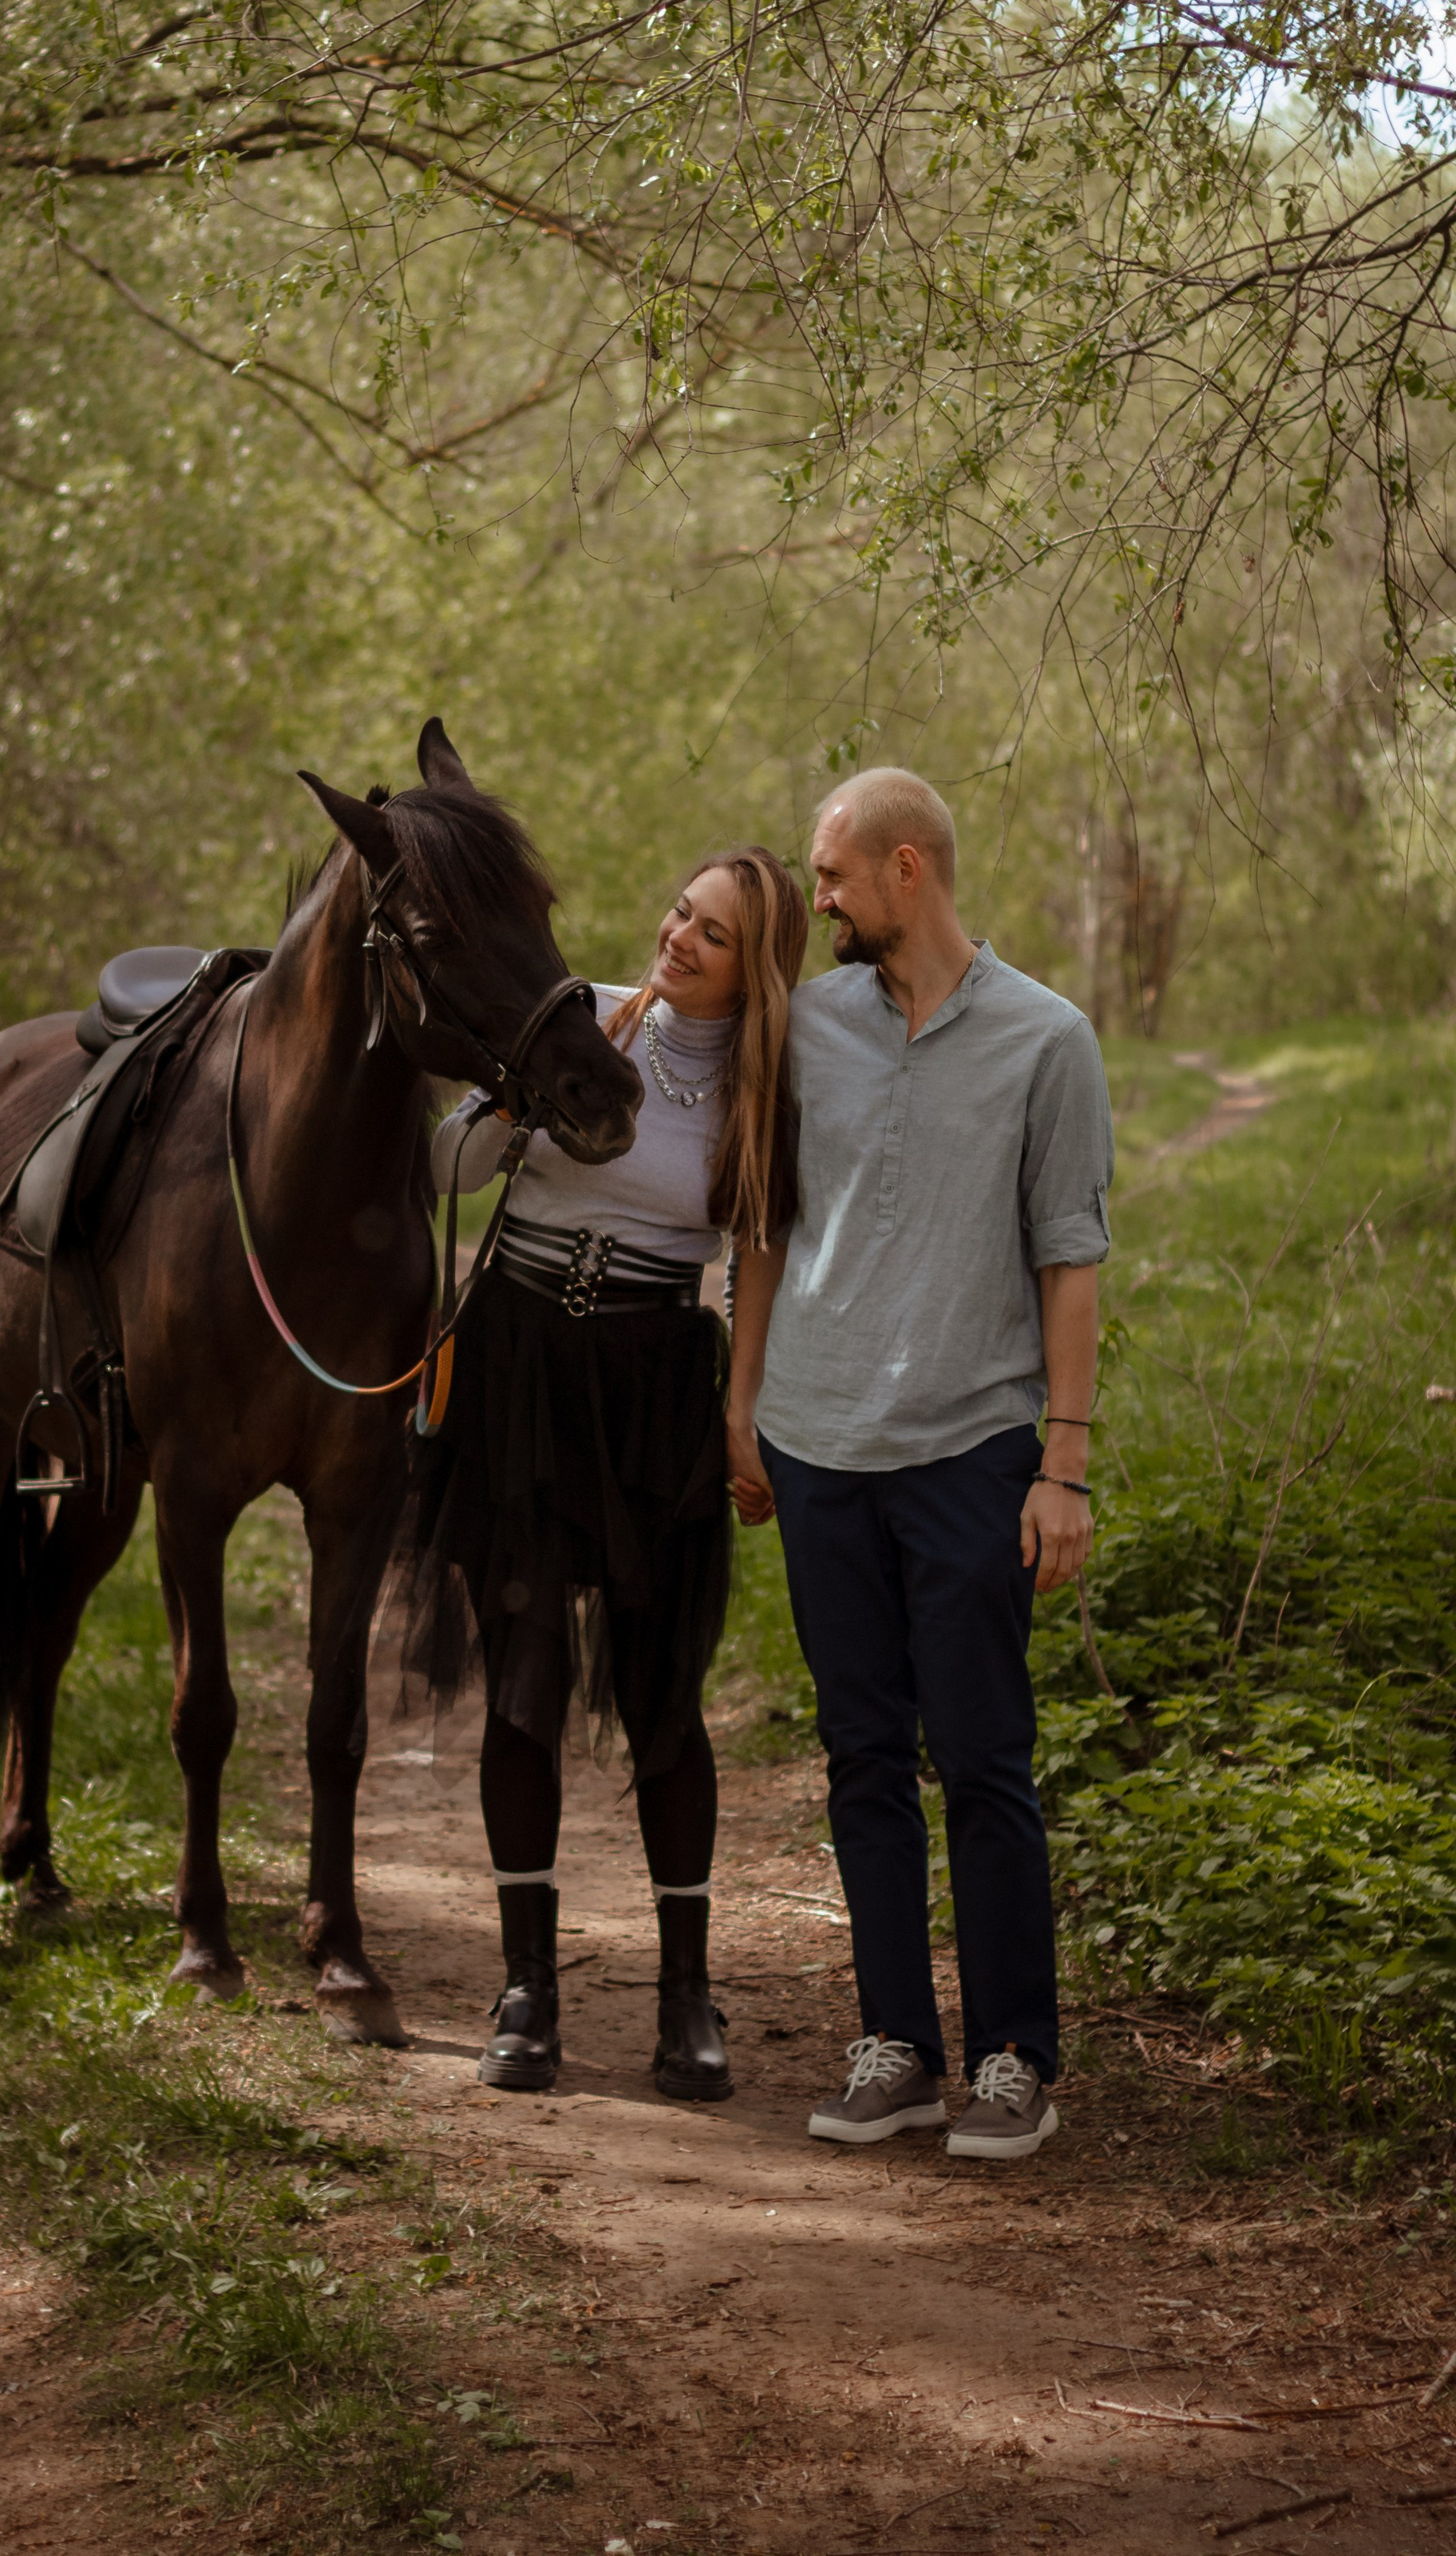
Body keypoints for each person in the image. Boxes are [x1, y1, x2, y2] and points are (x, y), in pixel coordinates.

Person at [726, 768, 1112, 2160]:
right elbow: (763, 1224)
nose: (814, 901)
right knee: (861, 1756)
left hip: (969, 1447)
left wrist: (1060, 1470)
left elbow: (1069, 1262)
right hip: (820, 1443)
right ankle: (895, 2042)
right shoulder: (807, 1027)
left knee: (985, 1755)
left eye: (829, 877)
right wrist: (743, 1399)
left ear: (906, 869)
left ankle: (1016, 2058)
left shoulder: (1047, 1041)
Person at [403, 845, 808, 2101]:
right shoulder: (570, 1022)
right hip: (522, 1367)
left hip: (654, 1388)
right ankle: (528, 1989)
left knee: (662, 1699)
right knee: (524, 1684)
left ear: (758, 971)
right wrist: (514, 1105)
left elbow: (755, 1256)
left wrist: (744, 1414)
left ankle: (688, 1998)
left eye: (717, 933)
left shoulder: (760, 1093)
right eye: (681, 909)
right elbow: (444, 1173)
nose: (680, 937)